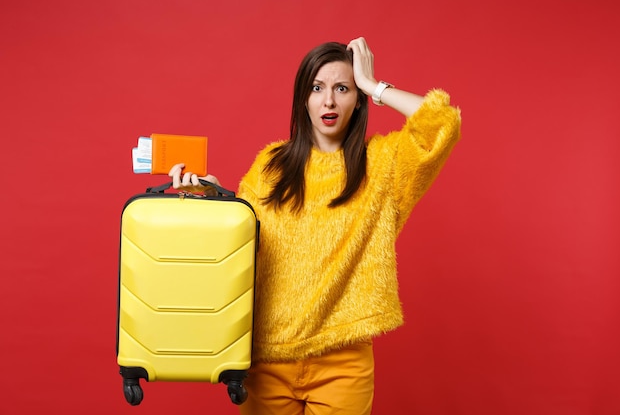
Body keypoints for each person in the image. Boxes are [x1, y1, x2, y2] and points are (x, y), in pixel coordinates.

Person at [169, 37, 461, 415]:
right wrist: (211, 199)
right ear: (302, 99)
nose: (328, 101)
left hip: (343, 363)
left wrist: (374, 85)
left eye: (342, 89)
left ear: (356, 101)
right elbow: (242, 246)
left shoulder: (384, 165)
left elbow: (443, 123)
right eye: (317, 88)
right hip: (265, 359)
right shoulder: (270, 165)